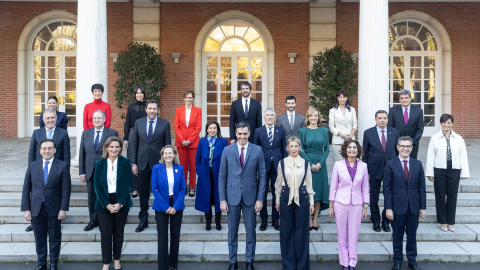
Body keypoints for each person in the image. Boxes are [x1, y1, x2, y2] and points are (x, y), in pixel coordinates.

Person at [219, 121, 266, 270]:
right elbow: (222, 176)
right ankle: (233, 261)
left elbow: (263, 176)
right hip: (231, 197)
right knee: (232, 231)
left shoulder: (257, 150)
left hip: (251, 197)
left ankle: (249, 261)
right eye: (239, 134)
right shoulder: (227, 150)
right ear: (235, 133)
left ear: (249, 133)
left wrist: (260, 199)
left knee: (250, 231)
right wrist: (222, 199)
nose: (242, 136)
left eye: (245, 133)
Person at [21, 139, 71, 270]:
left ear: (55, 150)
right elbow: (26, 188)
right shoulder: (33, 165)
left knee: (55, 238)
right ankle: (41, 263)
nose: (47, 151)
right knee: (39, 238)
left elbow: (66, 189)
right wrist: (26, 209)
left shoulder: (62, 165)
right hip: (36, 208)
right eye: (44, 148)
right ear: (40, 151)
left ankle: (53, 263)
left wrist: (63, 208)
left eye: (50, 148)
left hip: (54, 208)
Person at [384, 136, 426, 270]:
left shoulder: (417, 164)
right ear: (397, 147)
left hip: (413, 207)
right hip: (397, 207)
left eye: (408, 146)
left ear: (412, 148)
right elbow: (387, 188)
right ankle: (397, 261)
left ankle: (412, 260)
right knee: (397, 236)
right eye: (402, 146)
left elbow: (422, 187)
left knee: (412, 236)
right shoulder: (390, 164)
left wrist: (423, 207)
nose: (405, 149)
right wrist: (388, 208)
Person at [129, 99, 171, 232]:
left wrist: (167, 165)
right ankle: (143, 220)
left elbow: (167, 146)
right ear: (146, 109)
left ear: (157, 110)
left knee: (162, 193)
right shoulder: (138, 123)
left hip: (159, 165)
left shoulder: (165, 124)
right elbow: (134, 144)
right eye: (150, 108)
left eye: (154, 109)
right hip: (142, 164)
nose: (152, 111)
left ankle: (161, 219)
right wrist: (133, 163)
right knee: (143, 194)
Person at [26, 108, 71, 233]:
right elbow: (32, 153)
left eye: (52, 118)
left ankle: (56, 220)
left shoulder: (62, 133)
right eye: (48, 118)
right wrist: (31, 169)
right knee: (37, 193)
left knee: (55, 196)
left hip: (57, 172)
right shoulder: (37, 133)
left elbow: (66, 155)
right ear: (43, 119)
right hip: (39, 171)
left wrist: (65, 171)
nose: (50, 120)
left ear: (56, 118)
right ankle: (35, 220)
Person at [328, 140, 369, 270]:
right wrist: (331, 205)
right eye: (349, 147)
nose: (352, 149)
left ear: (358, 151)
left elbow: (365, 188)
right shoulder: (338, 165)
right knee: (342, 234)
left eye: (354, 148)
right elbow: (333, 187)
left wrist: (365, 206)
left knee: (353, 234)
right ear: (345, 150)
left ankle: (352, 261)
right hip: (340, 203)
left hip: (356, 204)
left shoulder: (363, 166)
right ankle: (344, 262)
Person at [275, 136, 315, 270]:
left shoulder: (305, 163)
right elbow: (278, 184)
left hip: (302, 196)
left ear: (299, 148)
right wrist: (277, 200)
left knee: (302, 232)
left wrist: (311, 202)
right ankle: (288, 265)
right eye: (291, 146)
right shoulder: (282, 163)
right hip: (286, 196)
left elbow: (309, 183)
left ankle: (302, 266)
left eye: (296, 146)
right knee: (286, 231)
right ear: (287, 148)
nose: (293, 149)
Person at [425, 114, 470, 232]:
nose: (446, 125)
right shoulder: (434, 138)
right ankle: (442, 221)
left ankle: (451, 222)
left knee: (452, 196)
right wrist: (430, 172)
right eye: (444, 122)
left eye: (449, 122)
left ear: (452, 124)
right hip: (439, 169)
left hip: (454, 169)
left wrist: (464, 172)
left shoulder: (459, 138)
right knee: (440, 195)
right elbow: (430, 156)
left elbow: (463, 156)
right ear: (441, 123)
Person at [94, 136, 132, 270]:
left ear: (120, 148)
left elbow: (128, 184)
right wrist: (106, 204)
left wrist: (120, 203)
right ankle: (106, 262)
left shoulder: (125, 162)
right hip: (103, 203)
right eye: (111, 147)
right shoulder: (99, 164)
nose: (114, 149)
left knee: (118, 233)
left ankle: (116, 260)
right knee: (105, 234)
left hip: (121, 202)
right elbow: (97, 186)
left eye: (117, 147)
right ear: (106, 148)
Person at [79, 110, 118, 231]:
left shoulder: (112, 133)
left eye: (99, 118)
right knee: (92, 197)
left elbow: (116, 152)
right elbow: (82, 154)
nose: (96, 120)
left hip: (106, 170)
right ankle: (93, 220)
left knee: (107, 195)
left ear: (104, 119)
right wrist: (82, 172)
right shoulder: (86, 133)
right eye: (94, 118)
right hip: (90, 170)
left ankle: (106, 220)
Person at [362, 110, 399, 233]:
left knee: (391, 194)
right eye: (379, 118)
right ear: (375, 119)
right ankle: (376, 220)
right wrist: (366, 170)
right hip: (374, 168)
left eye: (384, 118)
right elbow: (364, 154)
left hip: (391, 168)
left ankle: (386, 220)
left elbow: (398, 152)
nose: (382, 120)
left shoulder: (395, 132)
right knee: (374, 196)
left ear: (387, 119)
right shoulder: (368, 133)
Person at [151, 145, 186, 270]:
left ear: (174, 155)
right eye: (165, 153)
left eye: (170, 153)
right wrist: (166, 206)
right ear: (162, 156)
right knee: (162, 235)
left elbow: (183, 188)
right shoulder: (156, 168)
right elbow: (154, 188)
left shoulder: (179, 168)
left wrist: (175, 207)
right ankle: (163, 266)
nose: (168, 155)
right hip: (161, 205)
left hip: (177, 204)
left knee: (175, 235)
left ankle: (173, 264)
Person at [253, 108, 287, 231]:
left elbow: (284, 149)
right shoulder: (258, 131)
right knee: (261, 192)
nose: (270, 117)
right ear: (264, 117)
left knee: (276, 192)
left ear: (275, 117)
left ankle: (275, 219)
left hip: (277, 166)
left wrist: (285, 165)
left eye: (272, 115)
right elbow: (255, 150)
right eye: (267, 115)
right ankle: (263, 220)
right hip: (262, 166)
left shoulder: (281, 131)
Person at [298, 108, 330, 230]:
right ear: (307, 117)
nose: (313, 118)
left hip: (320, 165)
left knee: (318, 192)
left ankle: (315, 219)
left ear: (318, 117)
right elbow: (301, 150)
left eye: (315, 116)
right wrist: (310, 164)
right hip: (307, 164)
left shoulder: (324, 130)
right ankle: (308, 219)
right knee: (307, 191)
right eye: (311, 116)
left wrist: (320, 163)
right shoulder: (302, 131)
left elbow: (327, 149)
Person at [194, 121, 228, 231]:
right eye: (210, 128)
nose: (212, 130)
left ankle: (218, 221)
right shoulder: (202, 141)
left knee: (218, 197)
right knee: (206, 198)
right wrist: (199, 171)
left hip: (218, 173)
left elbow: (226, 158)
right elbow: (197, 159)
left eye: (214, 128)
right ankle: (208, 221)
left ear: (217, 129)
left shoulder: (223, 141)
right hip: (205, 173)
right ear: (207, 130)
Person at [174, 90, 202, 197]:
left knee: (193, 166)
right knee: (182, 166)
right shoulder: (178, 110)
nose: (188, 99)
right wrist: (182, 140)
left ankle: (192, 187)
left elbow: (198, 127)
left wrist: (189, 140)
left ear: (193, 99)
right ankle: (183, 186)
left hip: (193, 142)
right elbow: (176, 126)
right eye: (186, 97)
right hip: (181, 143)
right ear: (184, 98)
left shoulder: (198, 110)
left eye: (190, 97)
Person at [124, 85, 147, 199]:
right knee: (132, 160)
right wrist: (126, 138)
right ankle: (133, 188)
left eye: (141, 92)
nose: (139, 94)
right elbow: (127, 123)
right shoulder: (131, 107)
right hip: (133, 134)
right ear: (135, 94)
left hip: (144, 135)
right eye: (137, 93)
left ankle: (143, 187)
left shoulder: (148, 106)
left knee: (142, 160)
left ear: (144, 94)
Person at [388, 89, 424, 159]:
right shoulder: (392, 110)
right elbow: (390, 127)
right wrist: (396, 141)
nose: (404, 100)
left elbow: (420, 128)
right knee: (397, 165)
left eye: (406, 98)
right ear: (399, 100)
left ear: (410, 98)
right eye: (402, 98)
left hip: (412, 144)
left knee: (411, 165)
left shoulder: (418, 111)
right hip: (397, 144)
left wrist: (413, 141)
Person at [329, 89, 358, 161]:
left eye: (344, 97)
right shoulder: (333, 110)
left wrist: (350, 136)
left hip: (350, 139)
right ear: (337, 98)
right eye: (340, 97)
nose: (342, 99)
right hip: (338, 140)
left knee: (351, 162)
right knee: (339, 163)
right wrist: (342, 135)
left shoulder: (352, 109)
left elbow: (355, 124)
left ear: (347, 98)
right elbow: (331, 126)